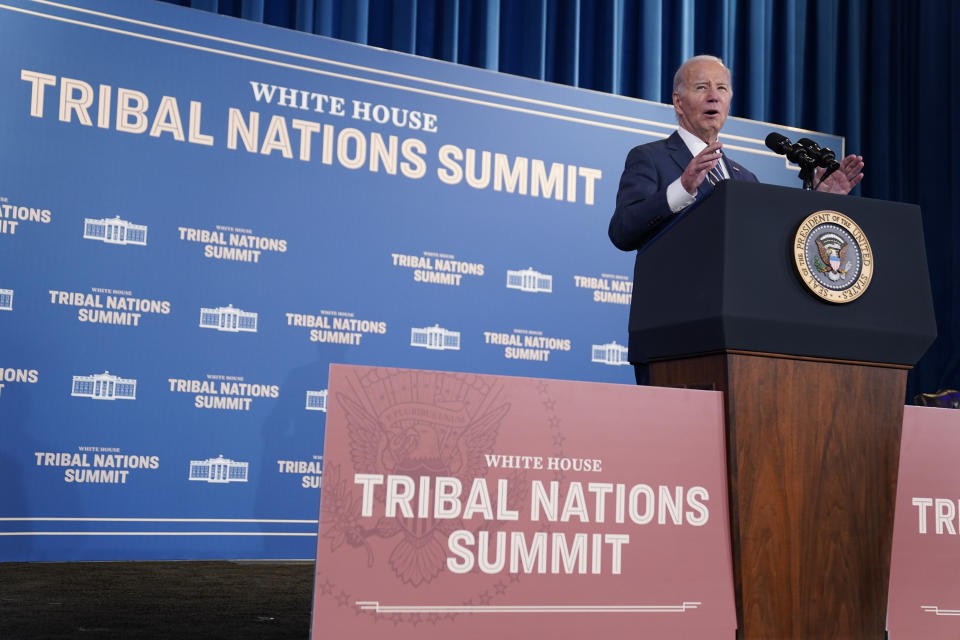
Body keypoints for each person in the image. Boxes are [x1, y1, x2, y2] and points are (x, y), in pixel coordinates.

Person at [608, 55, 865, 385]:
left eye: (722, 88)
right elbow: (623, 230)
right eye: (701, 87)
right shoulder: (650, 158)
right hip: (671, 339)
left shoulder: (745, 178)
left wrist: (817, 203)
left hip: (740, 342)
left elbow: (770, 249)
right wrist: (681, 188)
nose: (713, 96)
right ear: (678, 101)